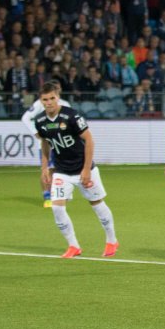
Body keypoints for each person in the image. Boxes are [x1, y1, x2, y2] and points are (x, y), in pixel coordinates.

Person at [34, 82, 118, 259]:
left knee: (96, 204)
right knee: (57, 208)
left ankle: (112, 240)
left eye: (52, 98)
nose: (49, 102)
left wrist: (86, 170)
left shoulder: (71, 116)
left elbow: (89, 140)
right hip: (61, 171)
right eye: (45, 100)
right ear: (41, 101)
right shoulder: (40, 121)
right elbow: (45, 143)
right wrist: (44, 167)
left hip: (83, 168)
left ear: (58, 97)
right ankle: (73, 246)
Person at [22, 80, 71, 208]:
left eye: (58, 89)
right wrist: (36, 132)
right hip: (46, 144)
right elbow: (25, 118)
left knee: (61, 169)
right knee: (46, 169)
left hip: (61, 144)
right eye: (55, 88)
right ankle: (47, 196)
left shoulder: (65, 104)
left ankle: (60, 194)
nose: (57, 90)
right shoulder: (40, 103)